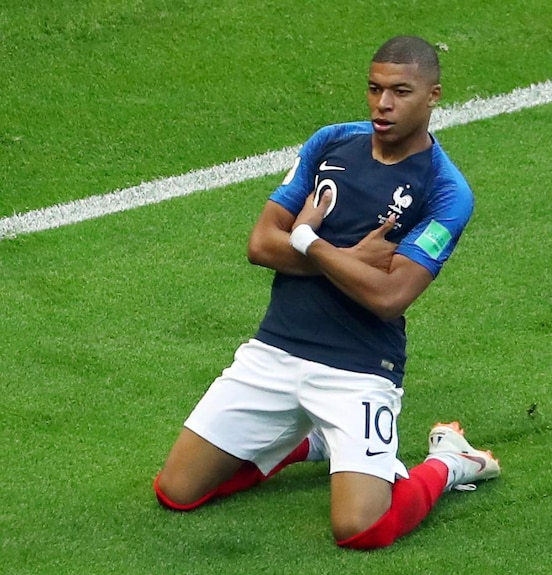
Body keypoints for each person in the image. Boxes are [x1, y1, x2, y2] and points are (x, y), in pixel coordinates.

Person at [153, 35, 500, 550]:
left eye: (401, 92)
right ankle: (308, 442)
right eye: (374, 88)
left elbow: (389, 296)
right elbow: (260, 243)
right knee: (176, 491)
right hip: (274, 351)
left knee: (361, 529)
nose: (383, 104)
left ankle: (450, 461)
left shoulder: (447, 191)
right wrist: (347, 258)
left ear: (433, 96)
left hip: (358, 370)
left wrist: (309, 240)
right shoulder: (331, 142)